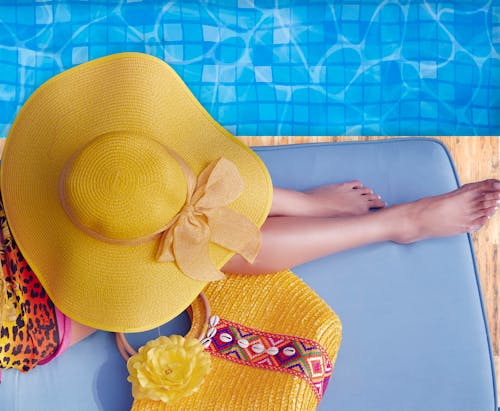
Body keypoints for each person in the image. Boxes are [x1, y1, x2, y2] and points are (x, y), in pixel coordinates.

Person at [0, 52, 498, 399]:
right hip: (26, 309)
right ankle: (396, 222)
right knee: (185, 250)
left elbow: (135, 185)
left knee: (132, 191)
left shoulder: (85, 177)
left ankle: (348, 214)